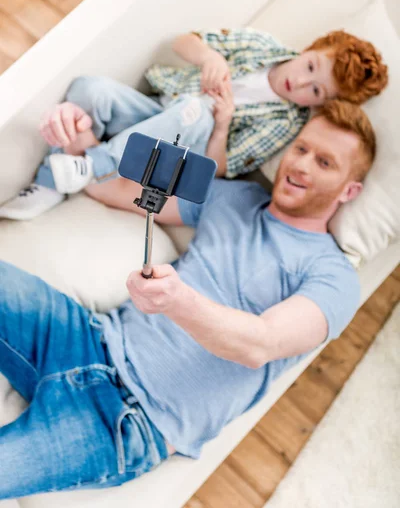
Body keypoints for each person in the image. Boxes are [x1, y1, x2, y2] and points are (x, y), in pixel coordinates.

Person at [0, 100, 375, 499]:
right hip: (85, 337)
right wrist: (79, 141)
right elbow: (122, 191)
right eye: (301, 149)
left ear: (349, 190)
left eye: (324, 162)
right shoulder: (236, 198)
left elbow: (260, 344)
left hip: (129, 421)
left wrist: (178, 300)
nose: (301, 165)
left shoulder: (334, 278)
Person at [0, 28, 387, 220]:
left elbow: (218, 170)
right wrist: (208, 58)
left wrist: (222, 124)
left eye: (316, 92)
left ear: (322, 103)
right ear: (310, 49)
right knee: (89, 89)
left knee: (198, 110)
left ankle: (81, 169)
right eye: (309, 67)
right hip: (153, 111)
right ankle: (66, 175)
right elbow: (185, 40)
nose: (300, 84)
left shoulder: (285, 124)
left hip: (182, 148)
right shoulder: (259, 45)